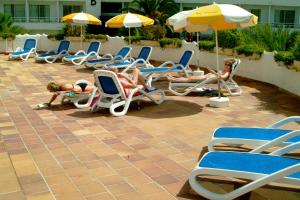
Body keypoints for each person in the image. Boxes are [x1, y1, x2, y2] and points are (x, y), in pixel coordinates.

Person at [168, 58, 235, 83]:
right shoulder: (224, 70)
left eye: (228, 65)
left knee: (190, 79)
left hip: (208, 79)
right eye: (225, 64)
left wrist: (213, 72)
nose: (226, 65)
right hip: (207, 77)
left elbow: (222, 77)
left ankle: (173, 79)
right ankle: (174, 79)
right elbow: (225, 59)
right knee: (190, 78)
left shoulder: (227, 73)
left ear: (230, 67)